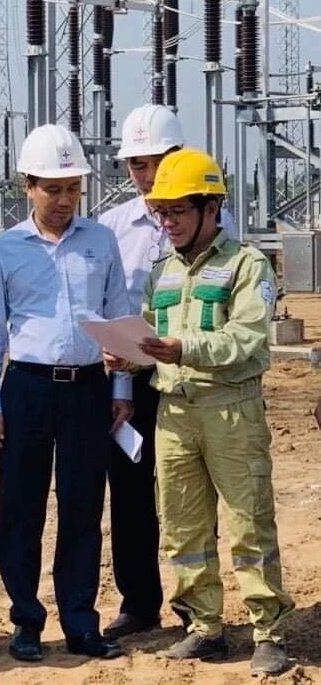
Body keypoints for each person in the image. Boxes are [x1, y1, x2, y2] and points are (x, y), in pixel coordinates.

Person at [0, 124, 132, 662]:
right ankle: (26, 621)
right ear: (29, 186)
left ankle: (81, 623)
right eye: (53, 189)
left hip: (88, 390)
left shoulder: (101, 241)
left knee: (83, 507)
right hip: (27, 388)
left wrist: (122, 386)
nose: (64, 200)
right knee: (21, 508)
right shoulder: (5, 249)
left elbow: (117, 315)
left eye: (72, 189)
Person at [136, 147, 294, 677]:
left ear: (211, 208)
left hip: (230, 412)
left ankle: (268, 630)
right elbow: (149, 333)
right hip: (174, 413)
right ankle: (204, 626)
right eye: (162, 212)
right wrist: (130, 353)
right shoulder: (162, 272)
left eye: (178, 211)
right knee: (182, 528)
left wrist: (182, 348)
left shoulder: (246, 265)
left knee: (249, 523)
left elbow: (246, 339)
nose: (169, 222)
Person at [99, 104, 238, 641]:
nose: (144, 175)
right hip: (135, 380)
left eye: (153, 162)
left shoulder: (220, 224)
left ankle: (196, 607)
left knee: (191, 495)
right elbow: (115, 313)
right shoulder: (114, 229)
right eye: (135, 165)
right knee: (131, 492)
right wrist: (120, 387)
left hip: (195, 379)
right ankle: (139, 603)